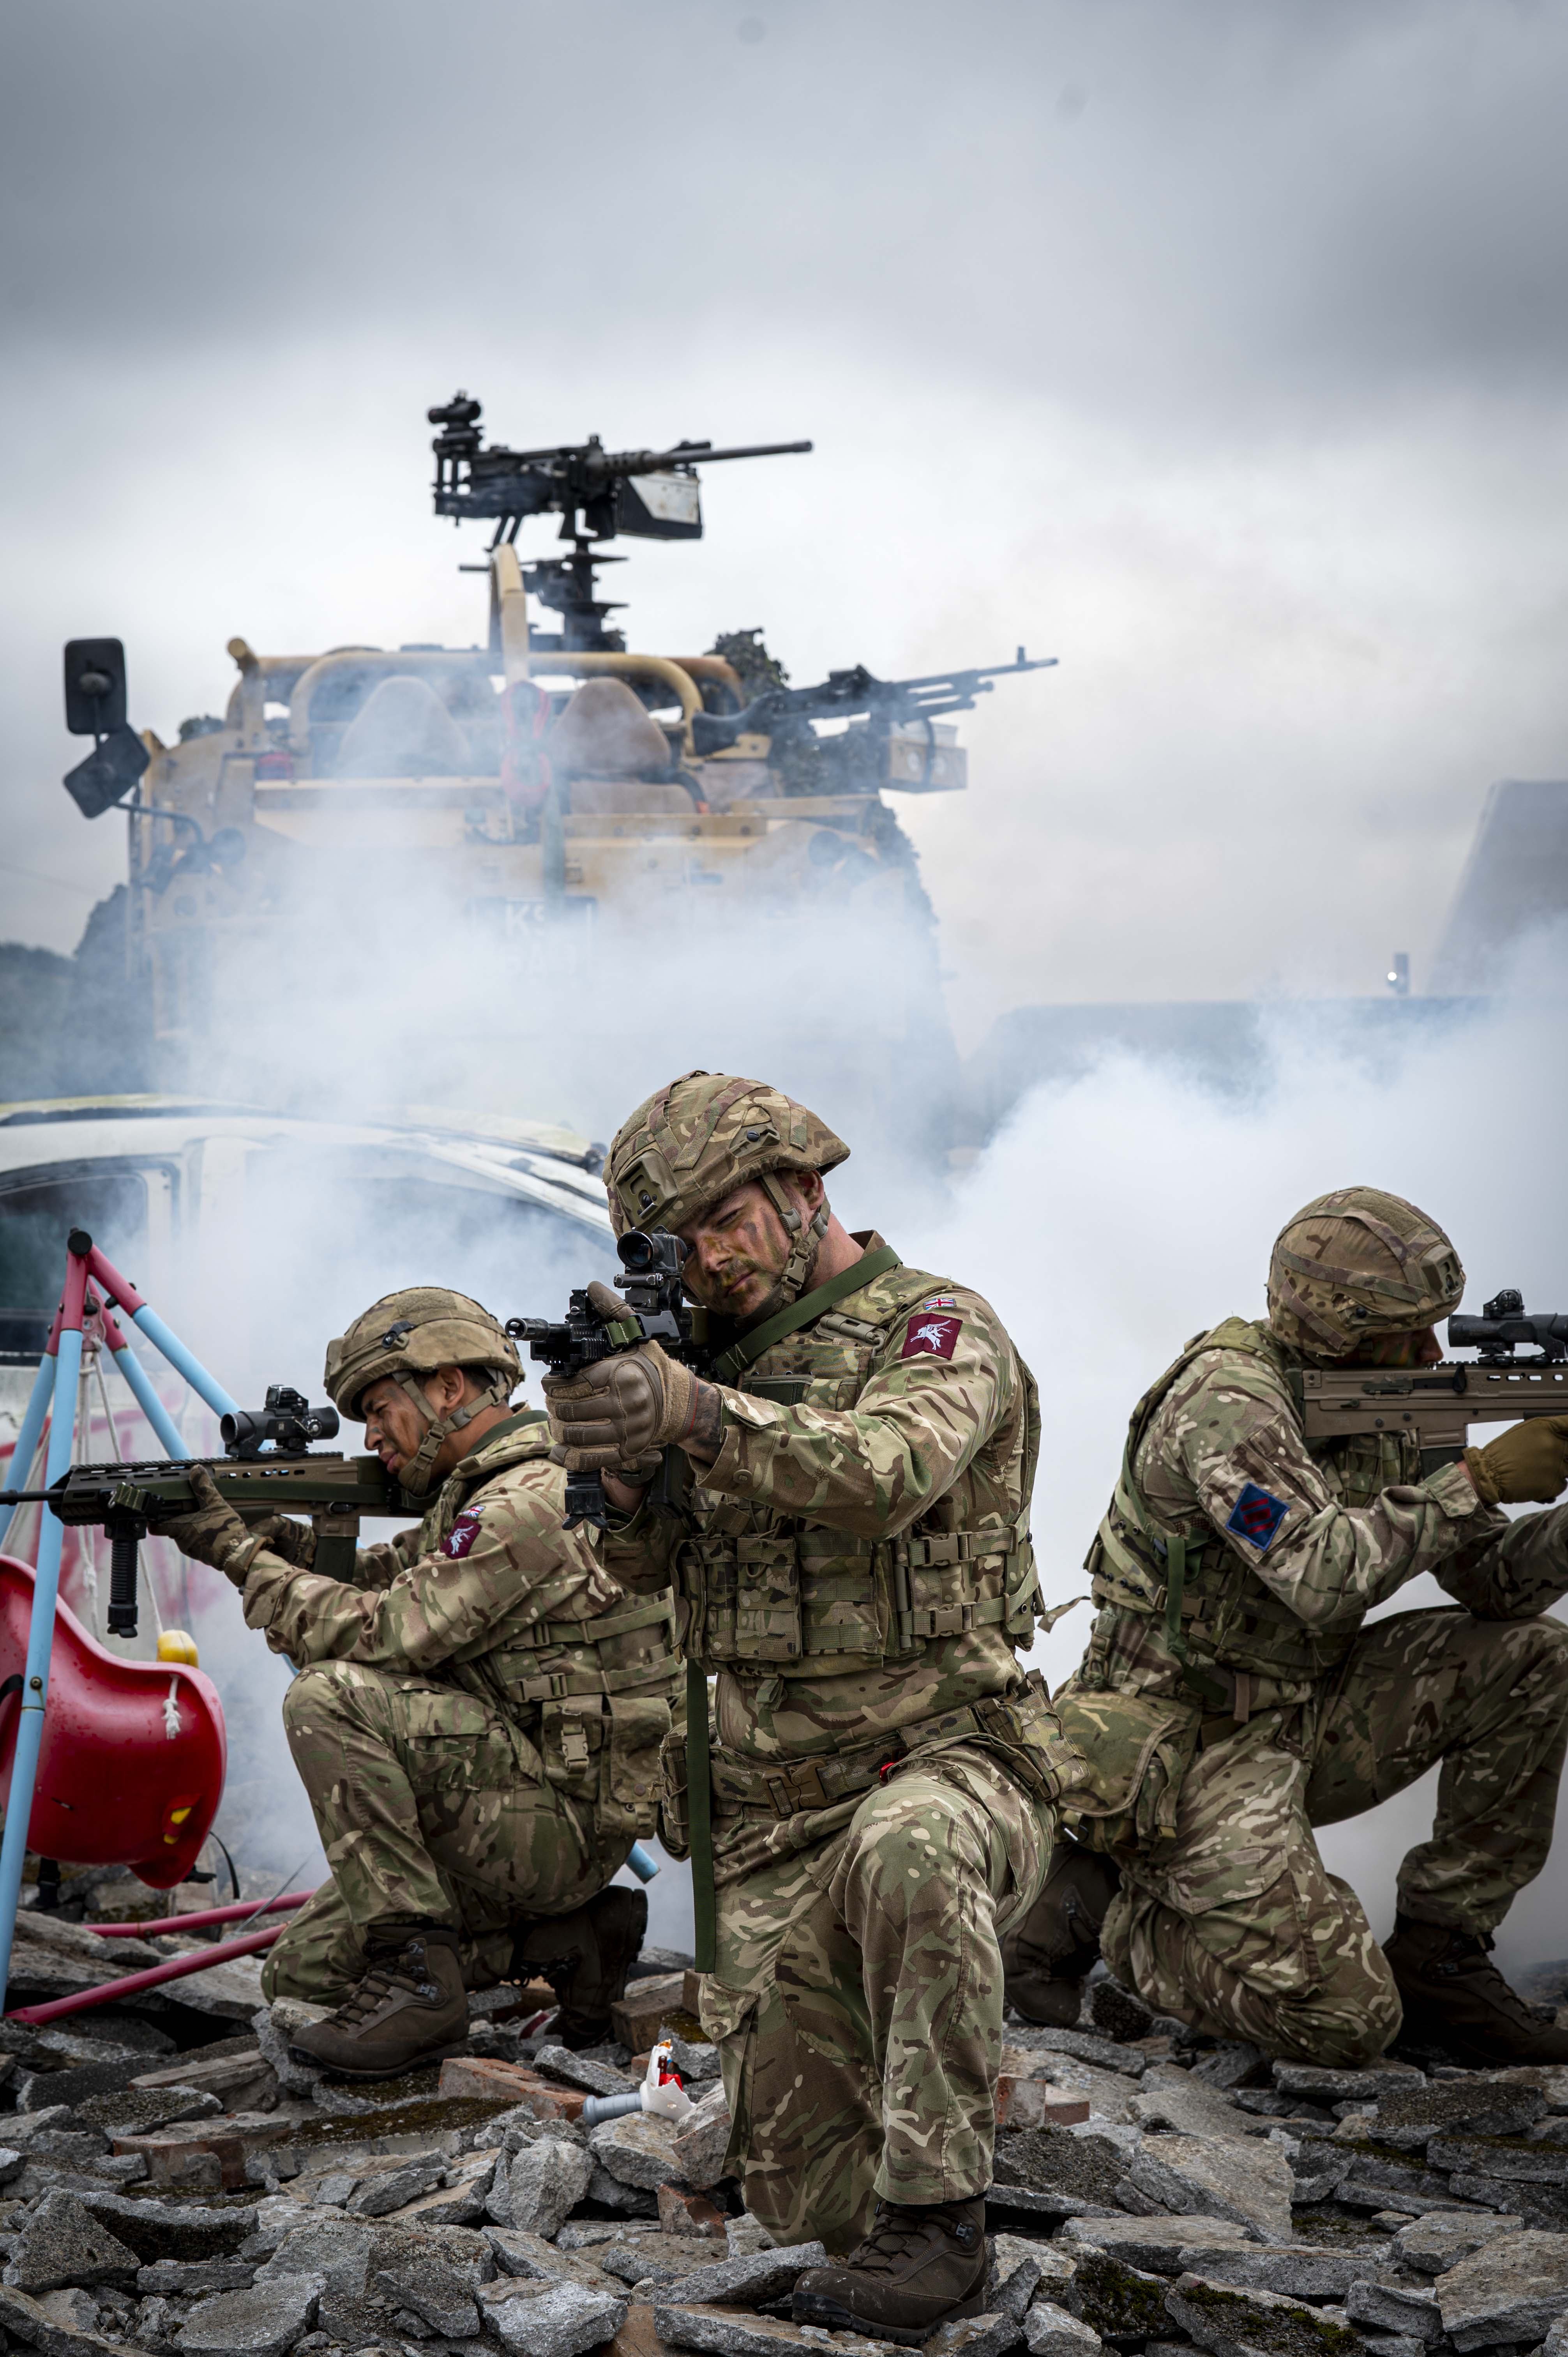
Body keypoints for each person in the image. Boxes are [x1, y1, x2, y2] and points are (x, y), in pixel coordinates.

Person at [543, 1069, 1082, 2345]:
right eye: (677, 1242)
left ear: (804, 1187)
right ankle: (869, 2139)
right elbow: (631, 1575)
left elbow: (888, 1470)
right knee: (807, 2203)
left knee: (913, 1848)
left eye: (721, 1219)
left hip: (946, 1756)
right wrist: (615, 1474)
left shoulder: (934, 1325)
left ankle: (946, 2218)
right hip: (776, 1814)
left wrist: (692, 1409)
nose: (708, 1259)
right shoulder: (699, 1365)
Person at [1036, 1186, 1568, 2070]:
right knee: (1346, 2023)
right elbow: (1322, 1579)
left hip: (1302, 1704)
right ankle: (1118, 1916)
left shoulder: (1393, 1396)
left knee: (1532, 1659)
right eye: (1411, 1331)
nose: (1433, 1352)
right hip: (1190, 1740)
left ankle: (1441, 1955)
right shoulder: (1226, 1403)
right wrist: (1475, 1479)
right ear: (1337, 1329)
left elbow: (1493, 1584)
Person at [154, 1287, 679, 2078]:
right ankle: (564, 1943)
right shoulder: (479, 1497)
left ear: (448, 1387)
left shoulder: (525, 1501)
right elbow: (380, 1582)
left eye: (379, 1408)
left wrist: (239, 1556)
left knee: (327, 1695)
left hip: (553, 1828)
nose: (371, 1436)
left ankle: (419, 1982)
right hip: (509, 1809)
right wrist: (278, 1536)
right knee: (298, 1978)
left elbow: (383, 1632)